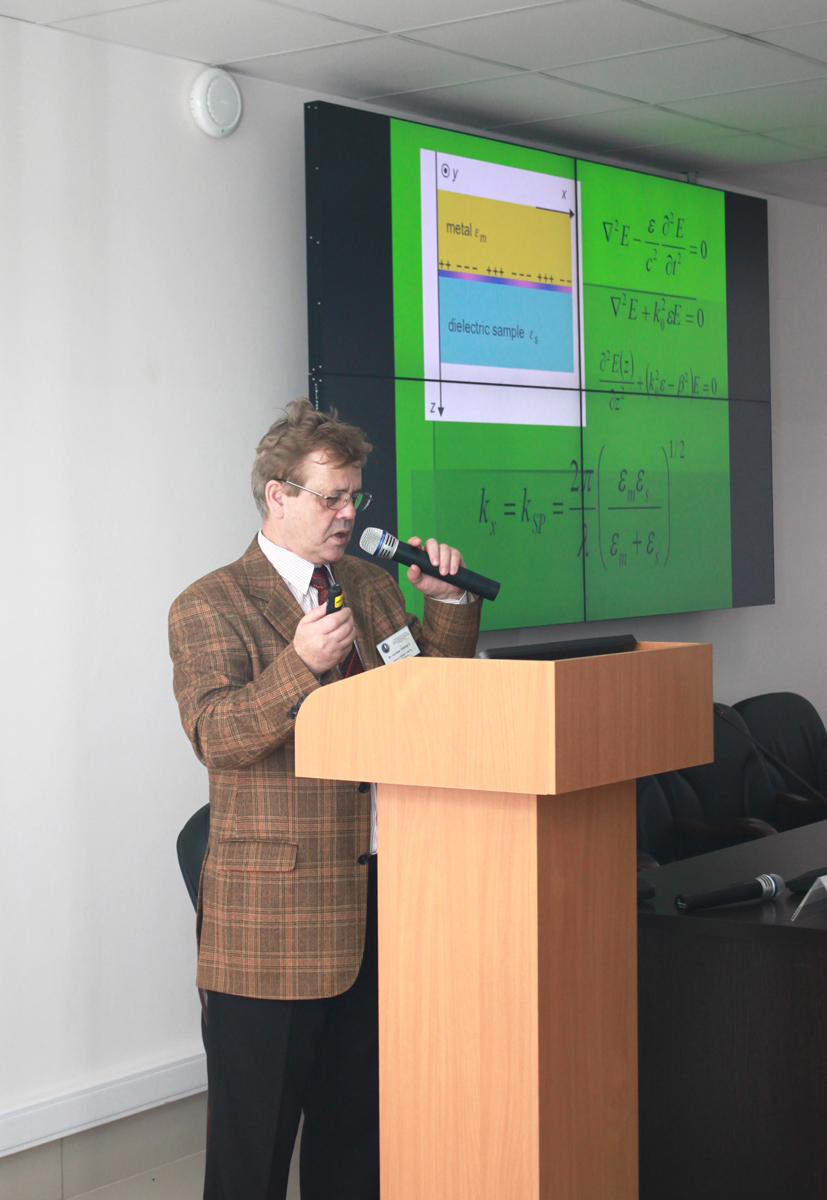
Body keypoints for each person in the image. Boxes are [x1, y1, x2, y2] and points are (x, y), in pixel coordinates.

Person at [169, 399, 481, 1200]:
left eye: (354, 496)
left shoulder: (369, 585)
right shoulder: (211, 602)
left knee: (358, 1144)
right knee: (252, 1158)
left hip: (380, 901)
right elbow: (216, 734)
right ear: (278, 495)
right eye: (331, 497)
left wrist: (445, 603)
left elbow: (423, 702)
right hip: (273, 922)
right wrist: (297, 665)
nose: (348, 514)